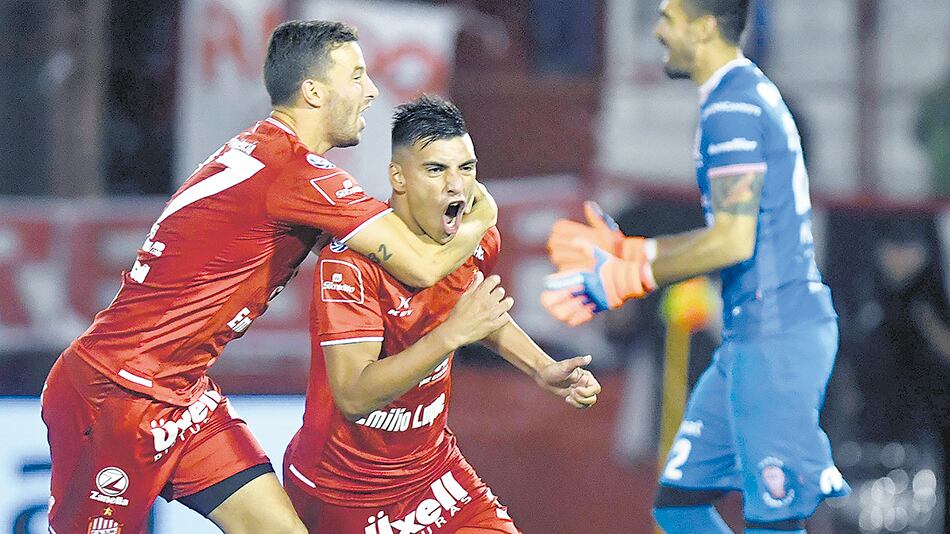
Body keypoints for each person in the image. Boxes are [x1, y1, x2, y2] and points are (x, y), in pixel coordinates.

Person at [40, 20, 498, 534]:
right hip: (117, 395)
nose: (371, 90)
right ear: (313, 91)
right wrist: (482, 213)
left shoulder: (264, 154)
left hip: (184, 394)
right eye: (356, 76)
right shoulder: (295, 174)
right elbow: (423, 263)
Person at [541, 1, 850, 532]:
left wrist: (632, 264)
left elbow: (733, 240)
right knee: (677, 508)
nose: (657, 29)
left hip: (777, 345)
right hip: (747, 343)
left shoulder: (735, 109)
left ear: (704, 28)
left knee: (776, 519)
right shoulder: (732, 101)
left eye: (669, 18)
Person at [282, 94, 601, 533]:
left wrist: (542, 368)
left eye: (465, 169)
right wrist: (450, 335)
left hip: (433, 474)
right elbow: (354, 397)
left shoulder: (475, 243)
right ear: (398, 178)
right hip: (341, 494)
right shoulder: (350, 265)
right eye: (436, 169)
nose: (457, 186)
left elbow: (478, 313)